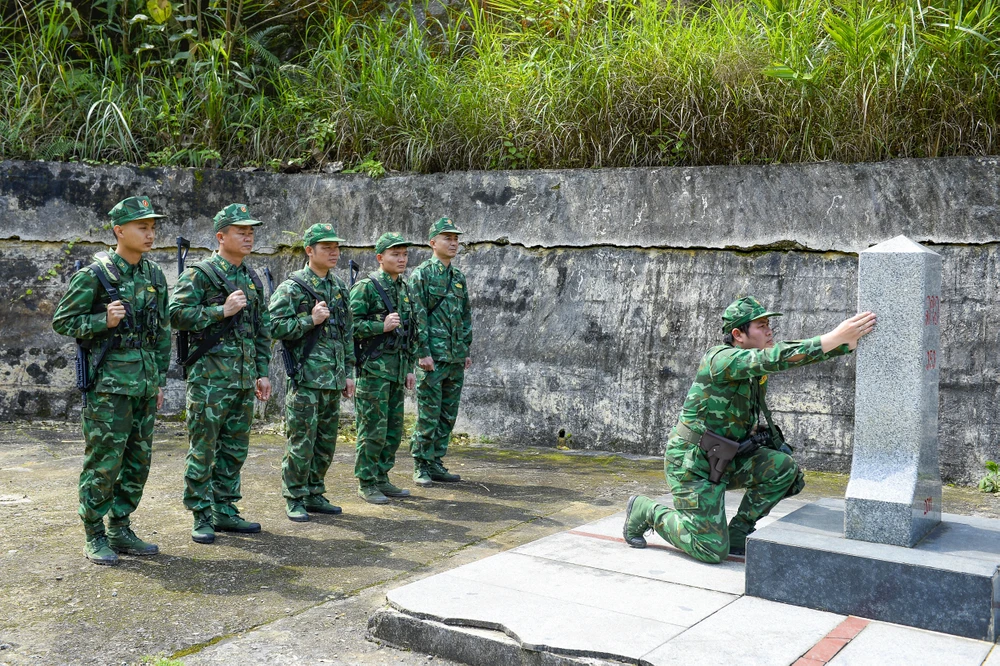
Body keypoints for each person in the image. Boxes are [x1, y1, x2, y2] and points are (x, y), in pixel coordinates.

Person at [623, 297, 877, 563]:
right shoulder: (720, 359)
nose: (769, 331)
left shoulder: (754, 368)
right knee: (709, 550)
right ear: (738, 334)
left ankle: (737, 533)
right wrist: (833, 337)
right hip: (692, 465)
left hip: (726, 459)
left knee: (783, 468)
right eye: (761, 325)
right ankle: (646, 510)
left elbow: (776, 358)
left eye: (769, 325)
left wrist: (845, 344)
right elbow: (777, 358)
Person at [52, 195, 171, 565]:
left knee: (138, 461)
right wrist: (103, 321)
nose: (150, 234)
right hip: (108, 388)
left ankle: (121, 527)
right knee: (104, 462)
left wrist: (160, 380)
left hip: (144, 384)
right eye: (142, 227)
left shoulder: (154, 275)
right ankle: (94, 533)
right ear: (120, 231)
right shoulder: (95, 274)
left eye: (152, 227)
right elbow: (63, 321)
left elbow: (161, 332)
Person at [169, 203, 272, 544]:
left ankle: (225, 510)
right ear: (220, 236)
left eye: (251, 231)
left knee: (234, 449)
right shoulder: (201, 273)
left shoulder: (251, 277)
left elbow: (260, 329)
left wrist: (262, 372)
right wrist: (219, 311)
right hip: (210, 380)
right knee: (203, 448)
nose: (248, 236)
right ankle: (201, 515)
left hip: (243, 380)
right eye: (240, 231)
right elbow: (176, 314)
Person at [268, 223, 356, 522]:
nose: (334, 252)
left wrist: (348, 373)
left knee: (326, 441)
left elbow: (346, 333)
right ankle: (294, 496)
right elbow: (273, 326)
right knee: (301, 441)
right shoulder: (292, 287)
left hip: (332, 378)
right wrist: (309, 319)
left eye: (336, 247)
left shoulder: (339, 287)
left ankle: (315, 491)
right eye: (326, 247)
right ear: (309, 250)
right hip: (306, 378)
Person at [350, 232, 417, 504]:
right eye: (395, 254)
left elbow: (410, 332)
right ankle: (366, 483)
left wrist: (410, 367)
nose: (401, 259)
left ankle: (382, 477)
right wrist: (380, 326)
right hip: (373, 371)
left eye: (404, 255)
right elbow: (349, 327)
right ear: (380, 258)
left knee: (392, 429)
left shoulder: (404, 287)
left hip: (397, 369)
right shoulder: (366, 287)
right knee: (372, 429)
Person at [408, 217, 473, 486]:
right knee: (429, 414)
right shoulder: (421, 274)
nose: (453, 242)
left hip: (455, 357)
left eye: (456, 238)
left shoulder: (458, 277)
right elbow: (417, 316)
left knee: (448, 414)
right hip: (432, 358)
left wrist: (465, 348)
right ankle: (421, 464)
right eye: (448, 238)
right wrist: (422, 352)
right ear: (433, 242)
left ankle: (436, 461)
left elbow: (465, 314)